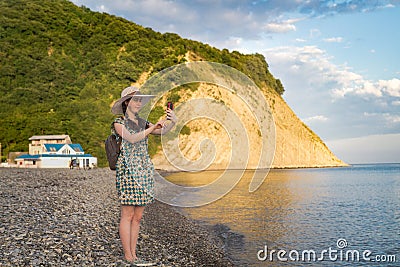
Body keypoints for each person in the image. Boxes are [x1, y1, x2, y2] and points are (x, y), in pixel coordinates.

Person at [111, 86, 177, 266]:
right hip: (128, 170)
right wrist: (153, 127)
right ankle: (128, 256)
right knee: (127, 214)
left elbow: (162, 131)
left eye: (140, 100)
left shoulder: (143, 121)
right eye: (135, 99)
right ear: (126, 102)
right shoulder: (119, 122)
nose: (139, 103)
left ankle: (134, 255)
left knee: (138, 216)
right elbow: (132, 139)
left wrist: (173, 121)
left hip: (144, 170)